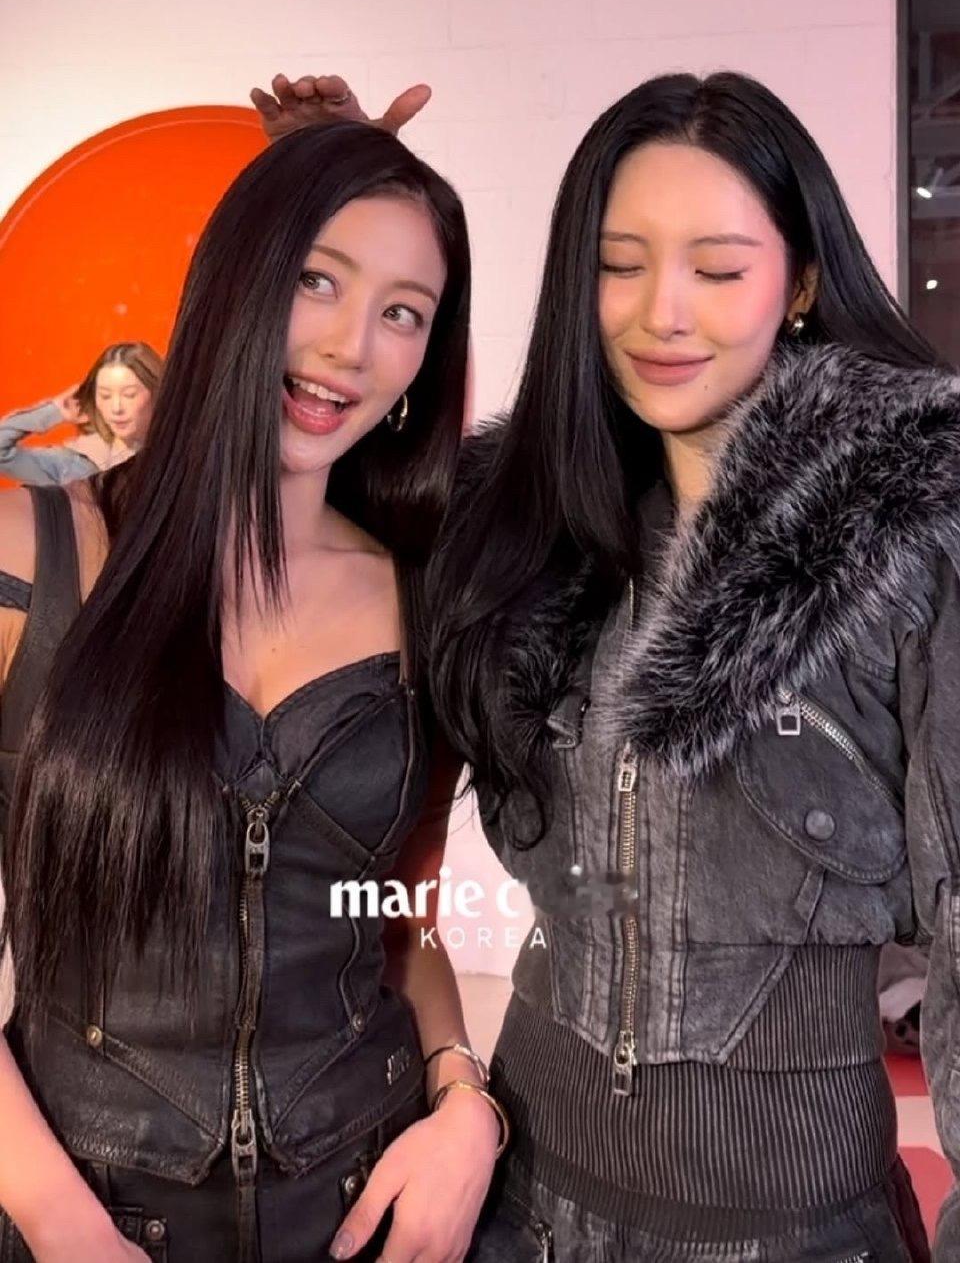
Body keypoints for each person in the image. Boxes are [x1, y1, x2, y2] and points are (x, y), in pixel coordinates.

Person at [253, 70, 958, 1262]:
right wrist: (325, 200)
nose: (659, 313)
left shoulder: (910, 542)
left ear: (802, 282)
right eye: (618, 265)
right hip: (517, 1211)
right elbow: (327, 472)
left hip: (794, 1234)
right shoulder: (518, 530)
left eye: (717, 269)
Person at [0, 124, 501, 1263]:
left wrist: (465, 1099)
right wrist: (59, 1222)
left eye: (403, 311)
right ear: (236, 279)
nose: (348, 347)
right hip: (87, 1212)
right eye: (317, 279)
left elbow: (396, 912)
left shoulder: (421, 597)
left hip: (367, 1206)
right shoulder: (36, 556)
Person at [0, 341, 162, 485]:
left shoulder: (173, 456)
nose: (116, 408)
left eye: (129, 395)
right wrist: (54, 412)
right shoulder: (75, 465)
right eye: (105, 396)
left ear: (157, 393)